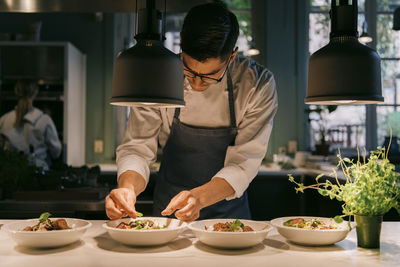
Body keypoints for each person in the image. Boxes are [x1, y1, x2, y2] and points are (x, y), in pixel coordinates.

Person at [106, 2, 278, 222]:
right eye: (187, 69)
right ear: (180, 46)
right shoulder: (158, 74)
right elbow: (138, 146)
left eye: (209, 76)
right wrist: (128, 188)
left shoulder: (257, 84)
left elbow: (244, 163)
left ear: (232, 57)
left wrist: (199, 197)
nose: (197, 84)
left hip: (227, 218)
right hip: (169, 214)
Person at [0, 80, 62, 170]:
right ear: (35, 94)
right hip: (38, 175)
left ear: (16, 93)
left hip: (11, 176)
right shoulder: (44, 120)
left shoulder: (4, 120)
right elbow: (56, 152)